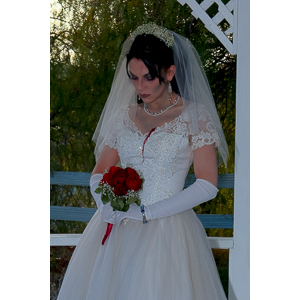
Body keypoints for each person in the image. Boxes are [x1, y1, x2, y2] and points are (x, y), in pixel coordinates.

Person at [57, 23, 229, 300]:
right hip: (115, 227)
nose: (140, 86)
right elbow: (98, 173)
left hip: (168, 230)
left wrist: (146, 213)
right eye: (134, 78)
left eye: (148, 77)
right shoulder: (122, 116)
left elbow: (207, 185)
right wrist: (105, 206)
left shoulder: (196, 117)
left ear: (170, 72)